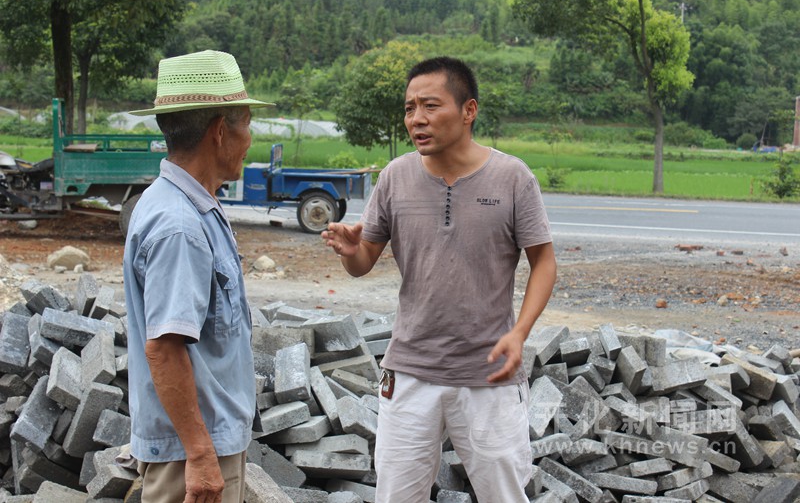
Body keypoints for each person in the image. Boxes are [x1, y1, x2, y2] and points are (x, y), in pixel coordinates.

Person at [322, 56, 557, 502]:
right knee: (395, 495)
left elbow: (544, 261)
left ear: (468, 111)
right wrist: (352, 253)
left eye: (430, 106)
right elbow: (363, 260)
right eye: (410, 108)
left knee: (505, 496)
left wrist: (520, 333)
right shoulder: (394, 177)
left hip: (489, 373)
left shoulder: (512, 178)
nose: (417, 119)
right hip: (410, 371)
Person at [123, 50, 272, 503]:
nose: (251, 138)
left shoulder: (190, 207)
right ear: (221, 132)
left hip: (200, 444)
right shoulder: (180, 227)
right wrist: (202, 457)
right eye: (247, 123)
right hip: (190, 455)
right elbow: (165, 348)